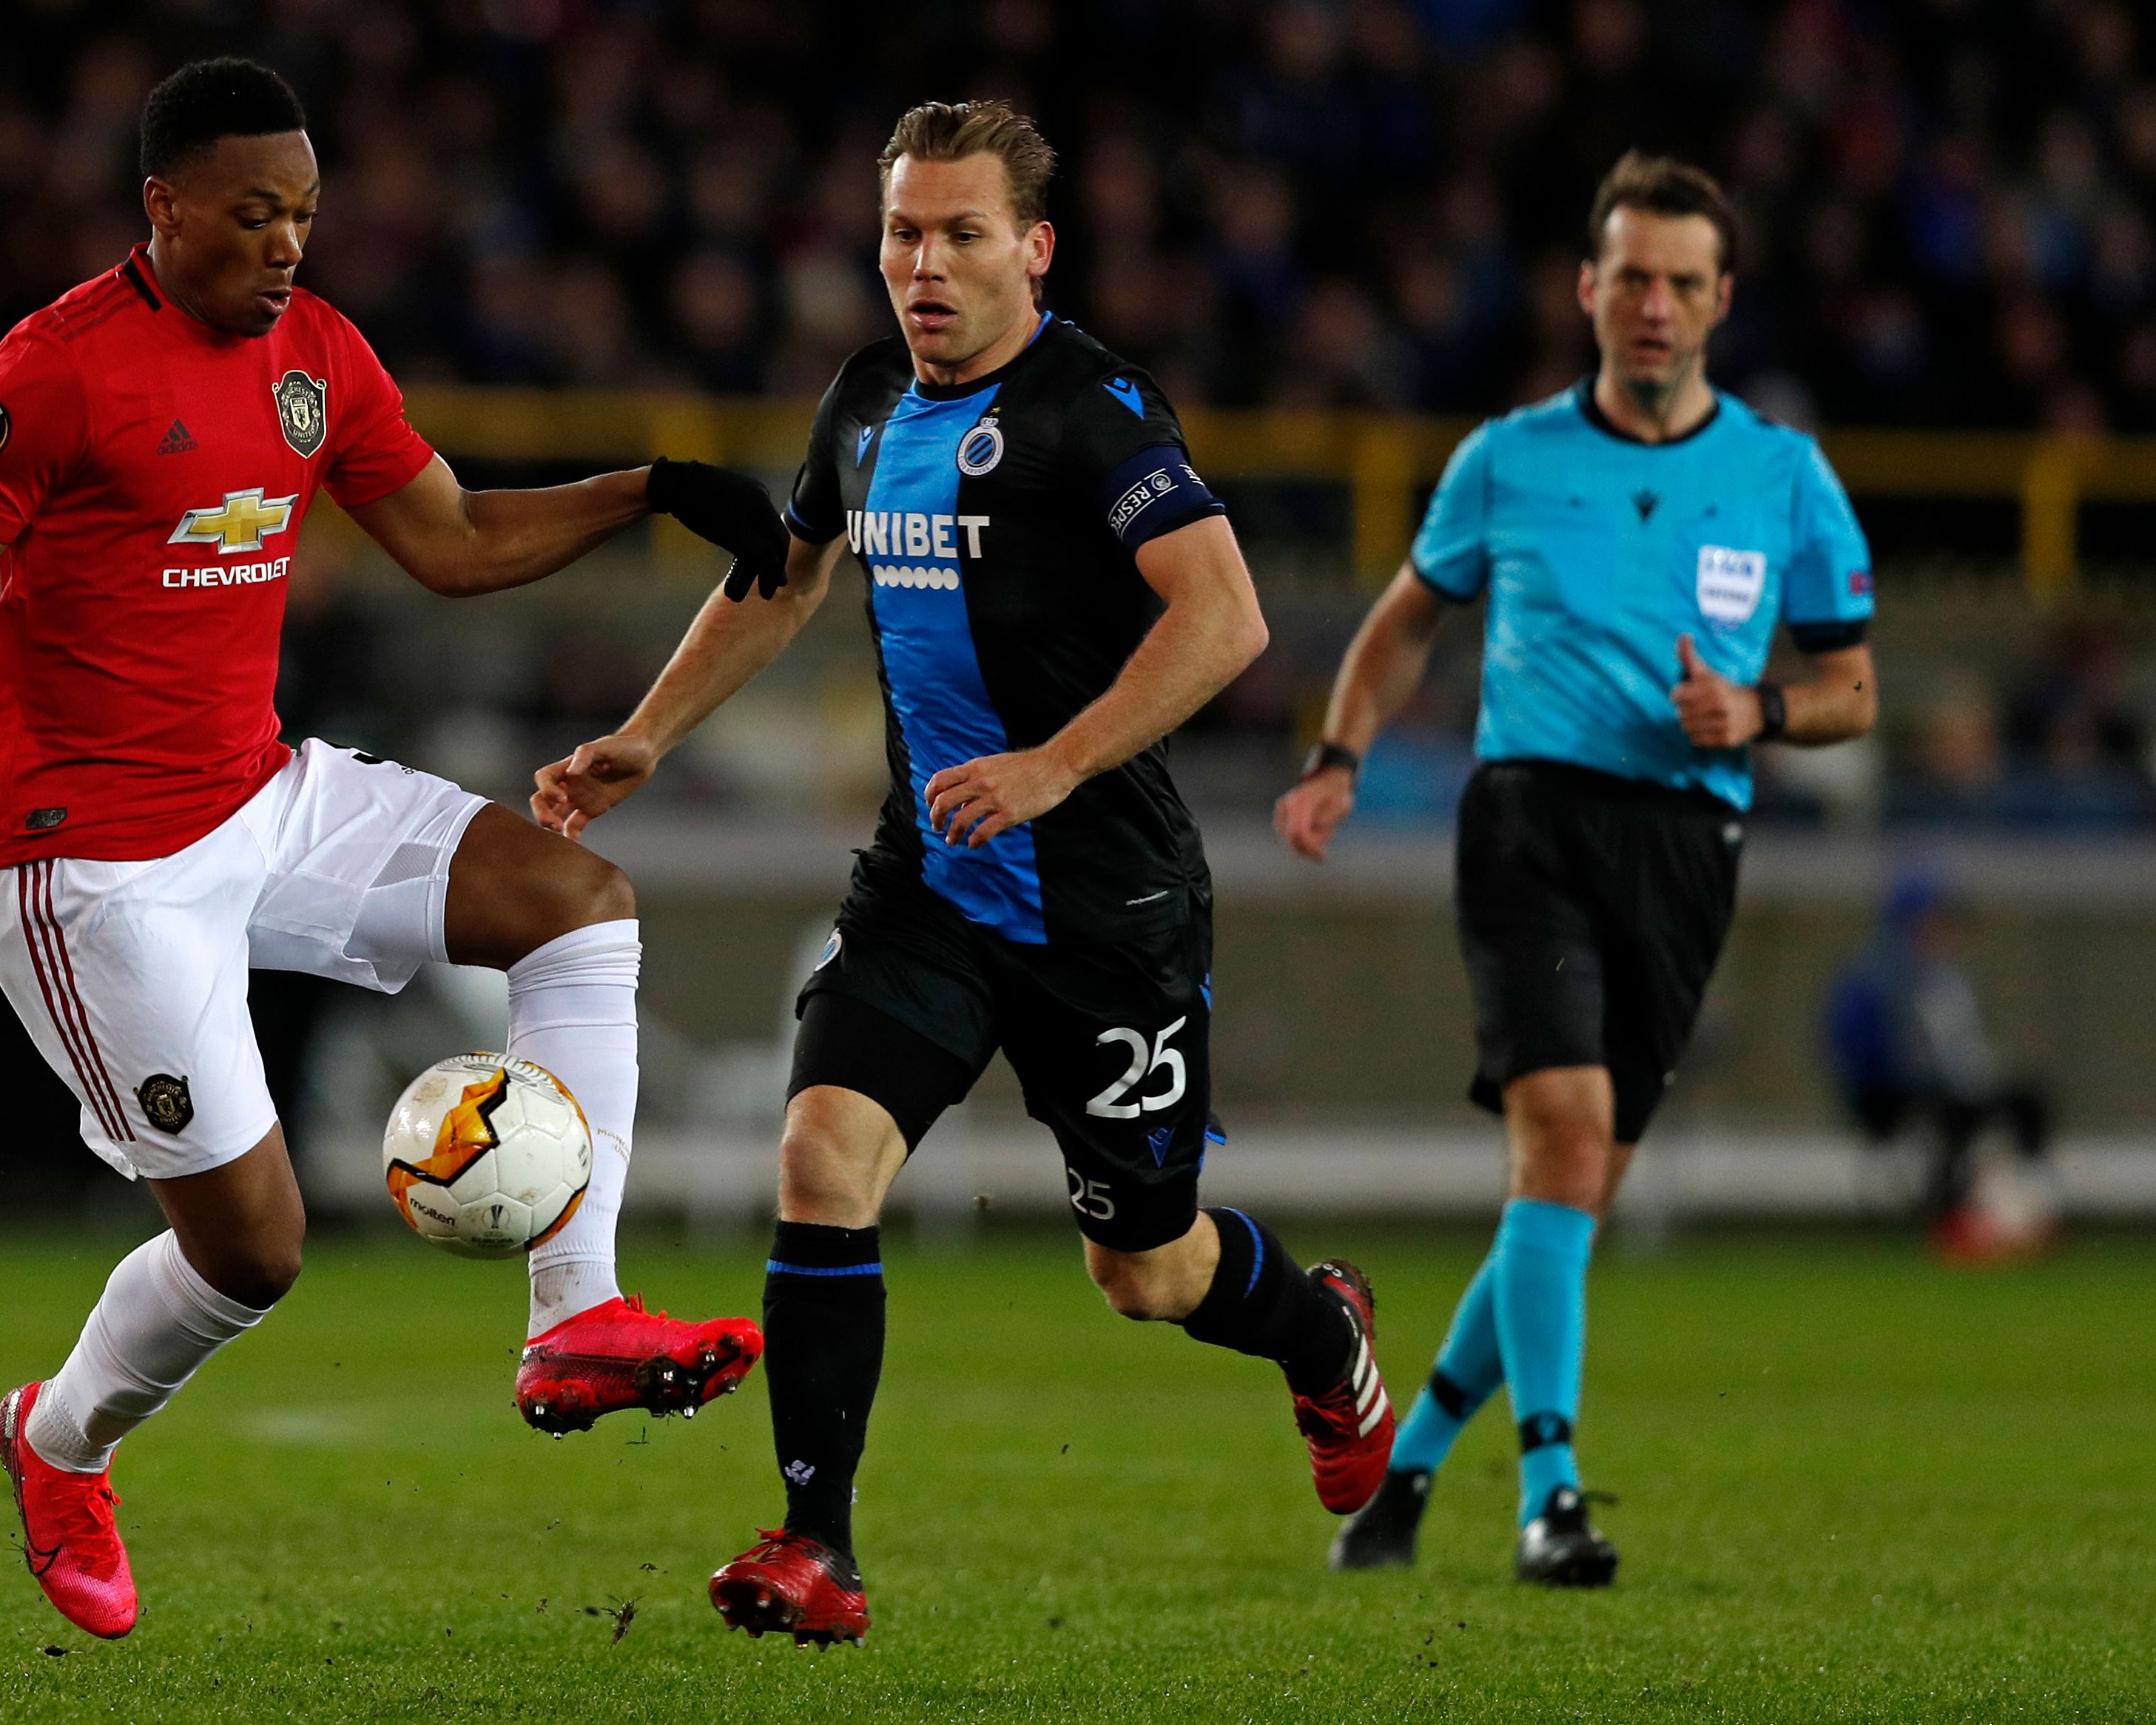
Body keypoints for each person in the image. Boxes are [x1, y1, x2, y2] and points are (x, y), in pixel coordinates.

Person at [0, 59, 786, 1641]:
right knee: (255, 1249)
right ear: (163, 207)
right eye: (253, 212)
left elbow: (452, 540)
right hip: (92, 865)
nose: (288, 242)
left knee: (576, 900)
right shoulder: (63, 366)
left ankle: (579, 1316)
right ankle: (58, 1438)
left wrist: (651, 489)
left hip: (261, 792)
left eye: (304, 212)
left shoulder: (317, 350)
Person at [533, 100, 1393, 1647]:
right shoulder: (864, 398)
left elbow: (1227, 618)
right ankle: (816, 1546)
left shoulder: (1094, 411)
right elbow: (784, 576)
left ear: (1035, 249)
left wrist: (1057, 764)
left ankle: (1323, 1332)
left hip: (1103, 905)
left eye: (962, 235)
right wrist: (646, 732)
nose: (924, 266)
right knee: (820, 1156)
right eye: (903, 234)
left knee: (1144, 1270)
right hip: (930, 882)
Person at [1279, 152, 1880, 1586]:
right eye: (1631, 278)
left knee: (1570, 1193)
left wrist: (1765, 712)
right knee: (1557, 1142)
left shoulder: (1784, 477)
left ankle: (1407, 1469)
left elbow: (1856, 687)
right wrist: (1340, 754)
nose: (1654, 305)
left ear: (1721, 298)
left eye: (1682, 280)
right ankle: (1551, 1492)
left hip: (1687, 842)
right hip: (1530, 823)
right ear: (1587, 290)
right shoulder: (1510, 456)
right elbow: (1405, 619)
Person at [1826, 871, 2056, 1262]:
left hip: (1949, 1086)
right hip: (1894, 1093)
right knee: (1955, 1116)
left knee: (2026, 1100)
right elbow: (1863, 1055)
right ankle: (1954, 1216)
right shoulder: (1873, 980)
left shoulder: (1949, 977)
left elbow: (1965, 1047)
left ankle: (2024, 1205)